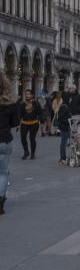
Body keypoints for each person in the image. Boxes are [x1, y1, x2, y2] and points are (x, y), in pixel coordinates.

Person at [0, 73, 17, 215]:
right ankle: (0, 203)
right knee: (3, 173)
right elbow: (15, 122)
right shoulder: (10, 102)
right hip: (5, 140)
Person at [17, 89, 42, 160]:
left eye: (28, 94)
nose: (27, 95)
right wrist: (18, 124)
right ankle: (26, 151)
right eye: (26, 94)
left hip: (34, 123)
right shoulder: (22, 104)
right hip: (24, 123)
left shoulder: (36, 103)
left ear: (32, 95)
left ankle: (33, 153)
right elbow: (19, 114)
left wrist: (41, 122)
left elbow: (40, 112)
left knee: (32, 139)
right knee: (23, 138)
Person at [52, 92, 71, 164]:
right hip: (64, 127)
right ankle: (62, 158)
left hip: (66, 127)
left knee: (66, 142)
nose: (70, 99)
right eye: (69, 98)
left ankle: (64, 157)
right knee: (63, 142)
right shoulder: (64, 107)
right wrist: (68, 119)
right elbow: (61, 118)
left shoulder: (65, 105)